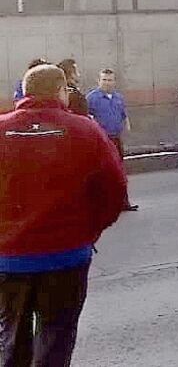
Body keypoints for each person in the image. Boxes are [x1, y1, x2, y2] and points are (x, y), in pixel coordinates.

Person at [0, 64, 127, 366]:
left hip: (8, 259)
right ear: (61, 90)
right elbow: (115, 188)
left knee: (11, 338)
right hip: (66, 257)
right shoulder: (85, 129)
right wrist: (90, 231)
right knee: (56, 338)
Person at [86, 68, 139, 211]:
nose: (107, 83)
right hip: (101, 140)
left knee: (119, 171)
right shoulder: (91, 98)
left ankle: (123, 202)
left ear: (114, 82)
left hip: (116, 138)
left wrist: (127, 126)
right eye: (104, 80)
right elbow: (86, 118)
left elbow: (123, 115)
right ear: (98, 81)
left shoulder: (118, 98)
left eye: (109, 80)